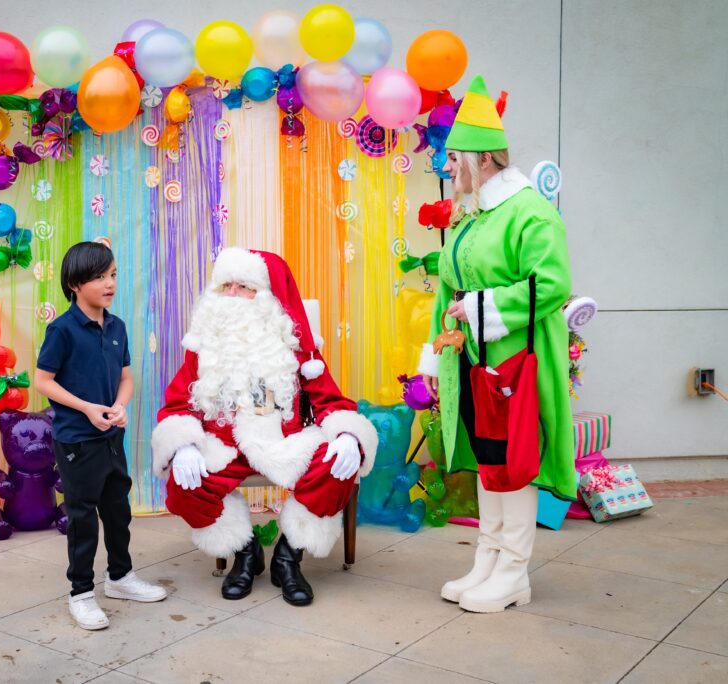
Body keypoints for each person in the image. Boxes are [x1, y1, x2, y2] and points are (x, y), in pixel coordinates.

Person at [418, 75, 576, 613]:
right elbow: (449, 288)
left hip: (516, 363)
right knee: (491, 461)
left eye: (454, 157)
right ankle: (488, 559)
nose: (447, 167)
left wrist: (484, 309)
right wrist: (444, 340)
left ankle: (513, 571)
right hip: (475, 361)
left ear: (483, 159)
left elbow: (550, 284)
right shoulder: (478, 215)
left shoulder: (531, 212)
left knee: (513, 460)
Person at [151, 247, 378, 606]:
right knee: (182, 481)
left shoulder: (295, 347)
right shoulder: (203, 346)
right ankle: (245, 551)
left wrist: (349, 435)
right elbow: (179, 402)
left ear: (268, 297)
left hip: (283, 442)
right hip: (223, 446)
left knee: (338, 462)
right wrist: (181, 445)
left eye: (245, 287)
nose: (232, 296)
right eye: (226, 286)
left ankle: (289, 557)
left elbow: (330, 400)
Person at [35, 241, 167, 630]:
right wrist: (87, 408)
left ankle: (120, 578)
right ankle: (81, 593)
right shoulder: (61, 329)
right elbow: (43, 381)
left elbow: (125, 377)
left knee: (117, 510)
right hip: (77, 440)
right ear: (75, 284)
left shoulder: (117, 326)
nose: (109, 284)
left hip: (111, 436)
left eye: (112, 275)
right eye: (98, 277)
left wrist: (119, 406)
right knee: (82, 518)